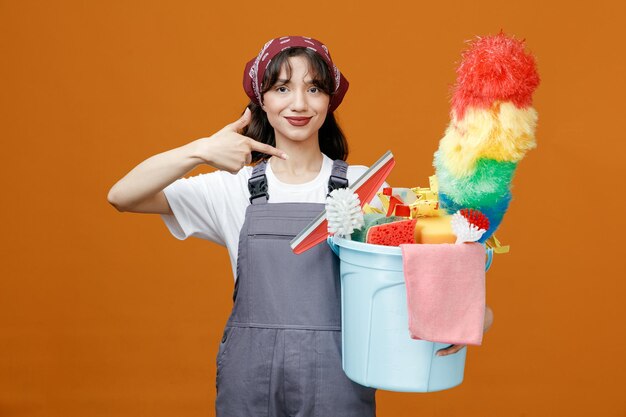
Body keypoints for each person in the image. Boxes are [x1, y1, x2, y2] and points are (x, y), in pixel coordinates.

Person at [108, 35, 493, 416]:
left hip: (339, 375)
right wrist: (199, 151)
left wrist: (469, 315)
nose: (299, 104)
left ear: (330, 99)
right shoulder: (233, 187)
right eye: (282, 87)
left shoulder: (365, 186)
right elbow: (122, 196)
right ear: (262, 100)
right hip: (250, 378)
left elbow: (407, 269)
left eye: (314, 88)